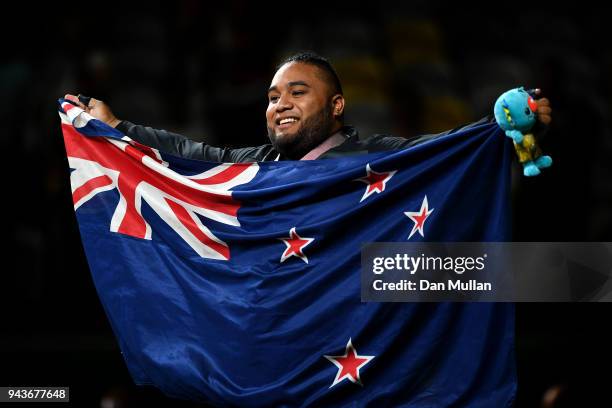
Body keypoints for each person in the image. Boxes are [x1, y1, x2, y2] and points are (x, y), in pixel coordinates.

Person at [65, 51, 552, 163]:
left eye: (298, 92)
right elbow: (190, 152)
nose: (280, 104)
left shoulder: (372, 156)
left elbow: (441, 152)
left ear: (337, 105)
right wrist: (117, 126)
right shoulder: (256, 166)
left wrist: (500, 125)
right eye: (273, 97)